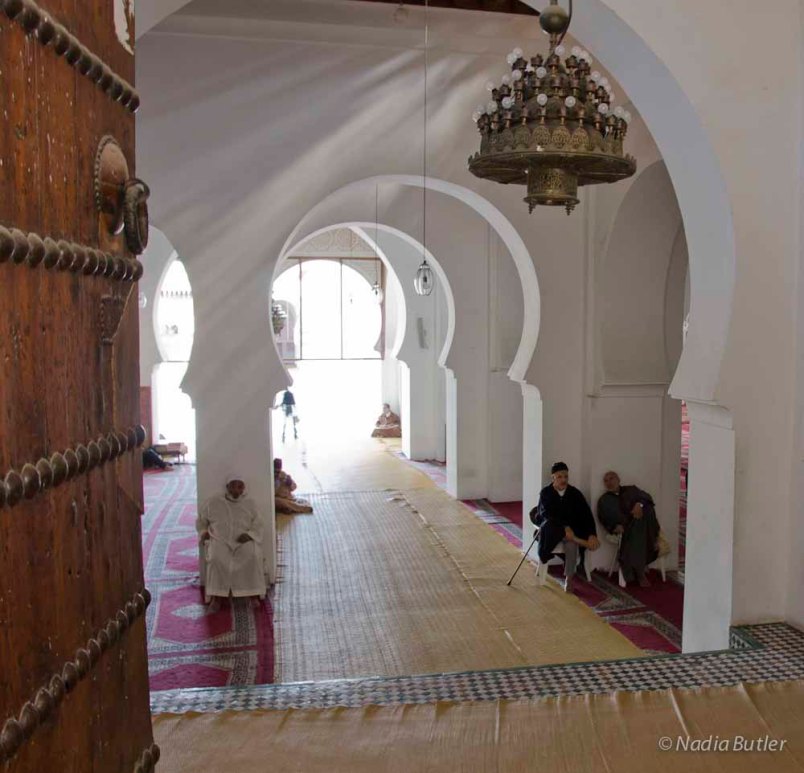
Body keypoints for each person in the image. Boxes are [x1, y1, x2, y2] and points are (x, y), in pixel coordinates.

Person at [197, 474, 266, 607]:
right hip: (220, 540)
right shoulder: (214, 502)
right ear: (227, 487)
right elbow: (201, 521)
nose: (236, 490)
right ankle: (217, 595)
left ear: (243, 488)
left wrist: (250, 535)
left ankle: (252, 593)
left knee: (251, 555)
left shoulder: (250, 503)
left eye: (239, 487)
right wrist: (204, 532)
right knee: (216, 558)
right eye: (233, 486)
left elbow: (259, 523)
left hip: (243, 541)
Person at [530, 462, 600, 591]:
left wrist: (592, 534)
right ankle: (574, 541)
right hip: (553, 532)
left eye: (566, 476)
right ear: (553, 478)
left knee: (571, 544)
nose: (563, 480)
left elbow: (586, 515)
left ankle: (569, 578)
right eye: (560, 477)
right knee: (561, 533)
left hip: (571, 533)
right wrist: (564, 527)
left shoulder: (575, 493)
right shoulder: (546, 493)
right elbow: (546, 514)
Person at [597, 471, 660, 588]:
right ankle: (641, 571)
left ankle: (639, 570)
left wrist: (639, 504)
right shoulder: (604, 500)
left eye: (612, 478)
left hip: (638, 524)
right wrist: (613, 527)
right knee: (639, 526)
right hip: (624, 529)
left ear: (618, 479)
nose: (609, 482)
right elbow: (603, 518)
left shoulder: (631, 490)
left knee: (647, 509)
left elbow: (647, 497)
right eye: (606, 480)